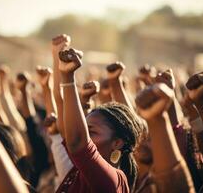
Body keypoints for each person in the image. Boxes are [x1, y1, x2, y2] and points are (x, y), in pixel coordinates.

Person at [56, 48, 145, 193]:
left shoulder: (112, 181)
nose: (86, 137)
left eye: (91, 132)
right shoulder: (81, 169)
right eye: (85, 130)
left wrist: (68, 78)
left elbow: (77, 140)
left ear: (117, 142)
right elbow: (65, 128)